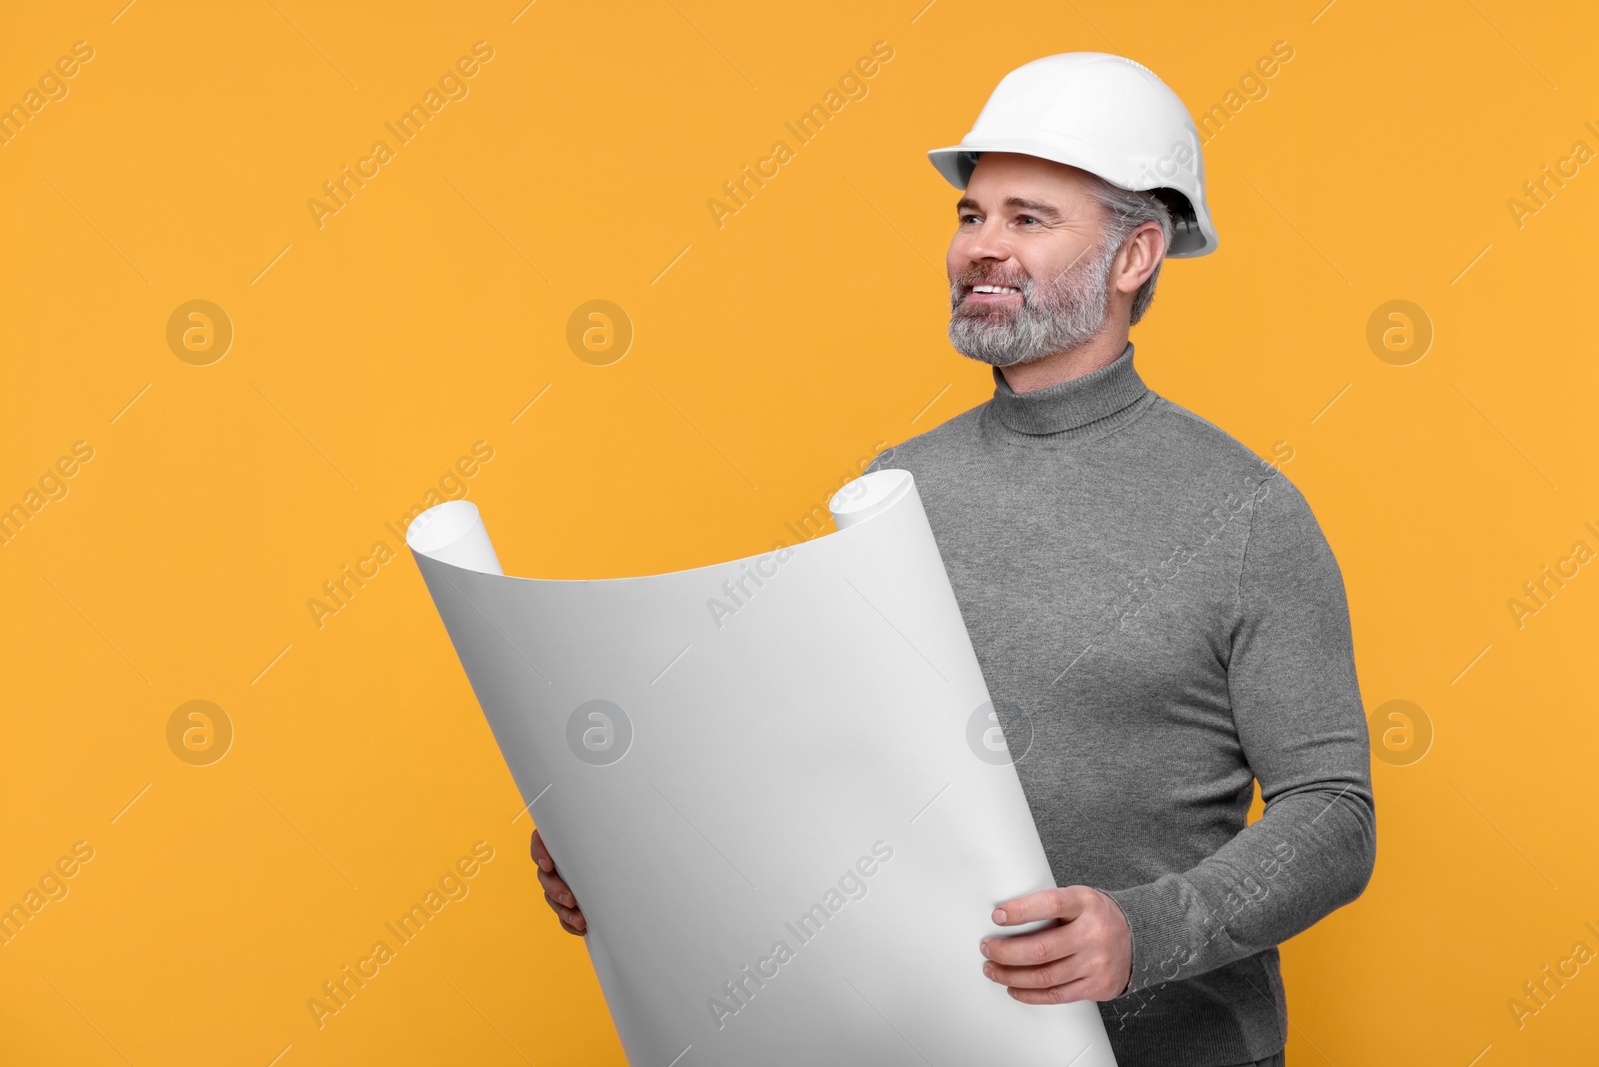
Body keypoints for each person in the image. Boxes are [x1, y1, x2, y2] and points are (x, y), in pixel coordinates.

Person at [533, 52, 1375, 1067]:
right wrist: (629, 843)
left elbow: (1331, 812)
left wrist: (1147, 929)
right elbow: (811, 753)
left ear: (1135, 255)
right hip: (919, 1039)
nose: (981, 247)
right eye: (971, 216)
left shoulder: (1244, 513)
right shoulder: (894, 489)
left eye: (1027, 219)